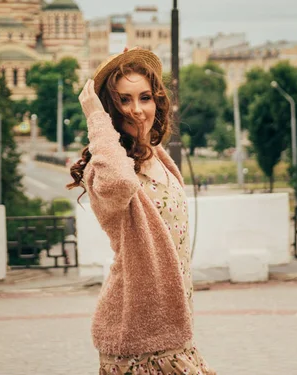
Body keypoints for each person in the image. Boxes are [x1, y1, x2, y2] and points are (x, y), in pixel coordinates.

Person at [67, 47, 215, 375]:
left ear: (157, 101)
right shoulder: (104, 168)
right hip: (137, 335)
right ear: (110, 109)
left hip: (174, 330)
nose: (136, 110)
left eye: (145, 97)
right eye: (124, 100)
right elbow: (120, 182)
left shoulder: (160, 158)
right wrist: (94, 116)